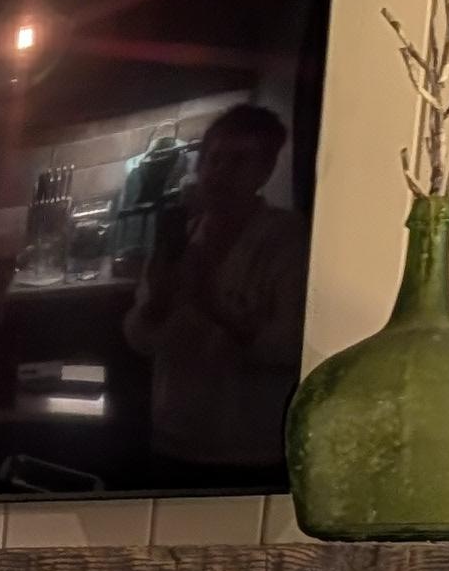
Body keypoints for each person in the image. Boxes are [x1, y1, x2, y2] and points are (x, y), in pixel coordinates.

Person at [122, 98, 310, 477]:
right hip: (171, 437)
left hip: (248, 451)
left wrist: (211, 303)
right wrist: (158, 301)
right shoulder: (181, 238)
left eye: (239, 161)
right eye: (214, 159)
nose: (220, 172)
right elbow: (138, 340)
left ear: (265, 169)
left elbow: (290, 350)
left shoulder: (289, 241)